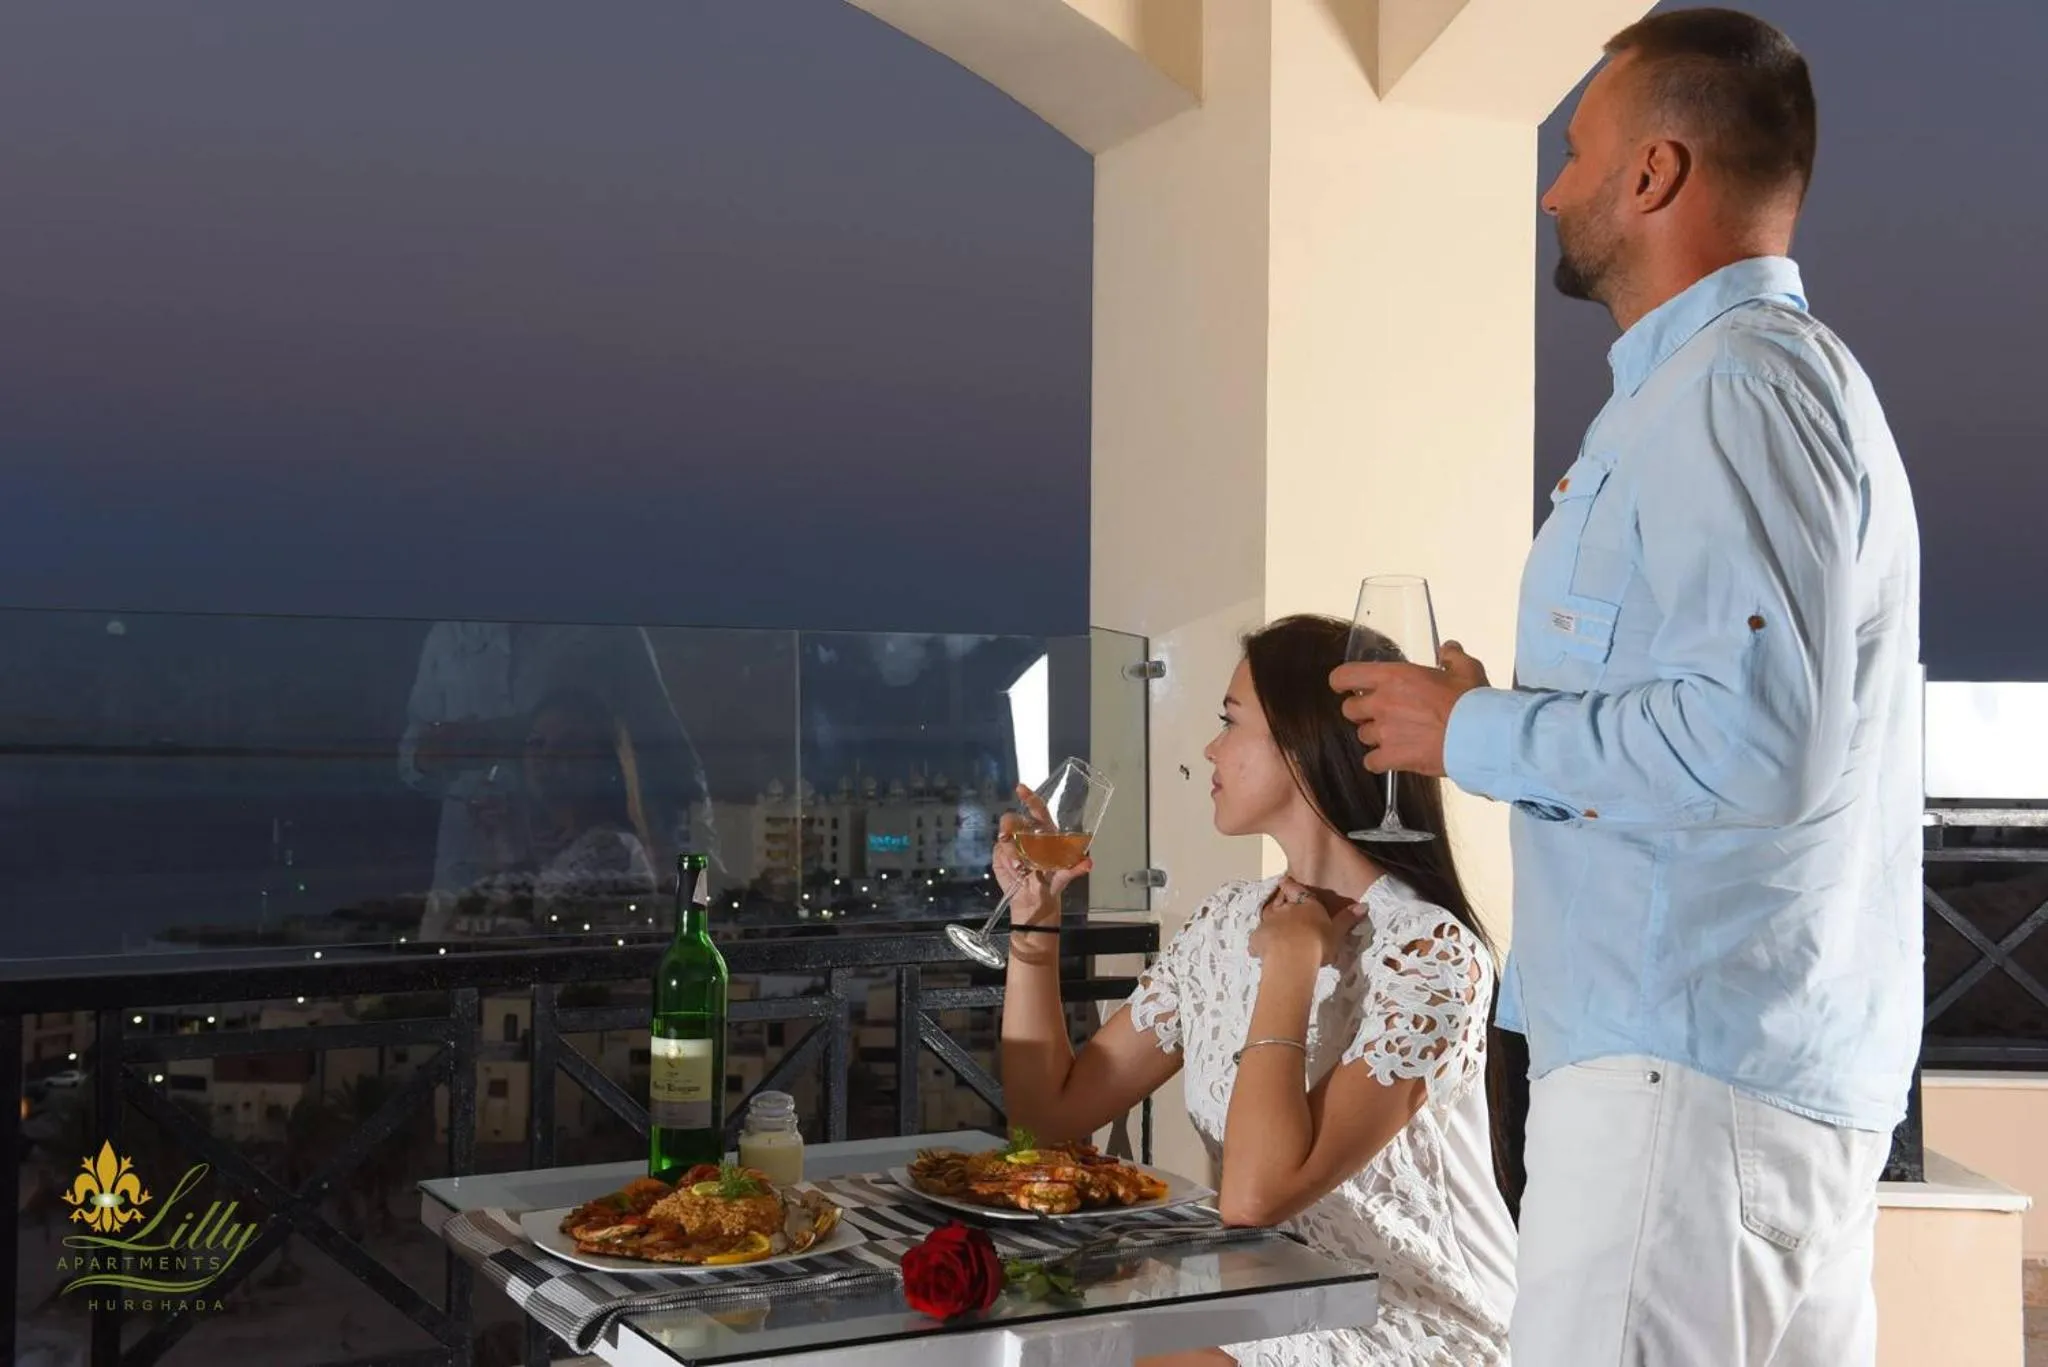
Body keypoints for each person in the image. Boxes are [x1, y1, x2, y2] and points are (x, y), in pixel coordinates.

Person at [1334, 11, 1921, 1365]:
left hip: (1687, 1081)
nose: (1552, 185)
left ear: (1655, 174)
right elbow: (1745, 705)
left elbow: (1753, 742)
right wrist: (1506, 708)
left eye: (1575, 149)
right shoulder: (1767, 389)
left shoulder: (1731, 391)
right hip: (1737, 1073)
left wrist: (1466, 728)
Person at [998, 615, 1517, 1367]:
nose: (1210, 748)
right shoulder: (1223, 922)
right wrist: (1034, 925)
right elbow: (1049, 1115)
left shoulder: (1429, 953)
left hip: (1411, 1322)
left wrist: (1293, 962)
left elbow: (1254, 1196)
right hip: (1271, 1298)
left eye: (1229, 722)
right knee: (1043, 1339)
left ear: (1305, 745)